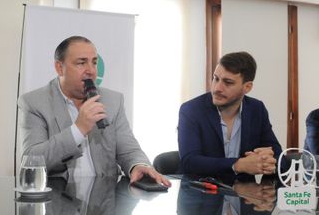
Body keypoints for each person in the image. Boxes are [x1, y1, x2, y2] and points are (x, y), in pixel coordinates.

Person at [17, 36, 170, 186]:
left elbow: (128, 150)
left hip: (104, 201)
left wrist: (138, 165)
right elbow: (32, 159)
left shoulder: (112, 100)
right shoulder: (34, 102)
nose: (91, 70)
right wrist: (78, 130)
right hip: (58, 201)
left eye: (94, 62)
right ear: (59, 68)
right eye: (81, 63)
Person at [178, 51, 282, 176]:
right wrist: (237, 165)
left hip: (243, 191)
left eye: (228, 82)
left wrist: (268, 161)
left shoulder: (257, 109)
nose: (217, 88)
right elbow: (189, 162)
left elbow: (279, 158)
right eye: (216, 79)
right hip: (200, 191)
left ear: (247, 87)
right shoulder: (191, 110)